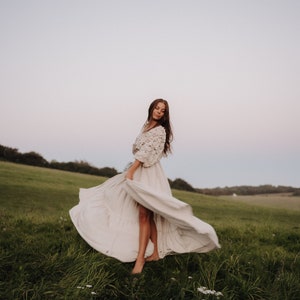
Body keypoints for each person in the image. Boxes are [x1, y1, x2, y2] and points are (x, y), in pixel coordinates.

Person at [69, 99, 220, 274]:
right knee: (144, 214)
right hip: (139, 169)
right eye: (157, 108)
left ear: (165, 115)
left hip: (149, 173)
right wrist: (132, 169)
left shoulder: (160, 131)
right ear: (151, 109)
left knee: (144, 214)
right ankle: (154, 252)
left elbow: (146, 152)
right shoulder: (146, 126)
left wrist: (131, 171)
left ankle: (140, 259)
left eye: (162, 110)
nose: (159, 111)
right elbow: (137, 148)